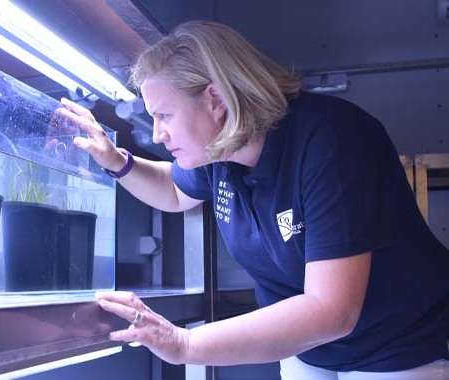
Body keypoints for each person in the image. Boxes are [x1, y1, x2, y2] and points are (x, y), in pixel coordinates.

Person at [53, 20, 449, 379]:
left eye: (165, 116)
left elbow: (333, 310)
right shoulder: (220, 152)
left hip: (396, 350)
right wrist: (114, 160)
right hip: (309, 351)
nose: (157, 135)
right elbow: (175, 191)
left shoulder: (331, 141)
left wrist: (184, 345)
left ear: (215, 99)